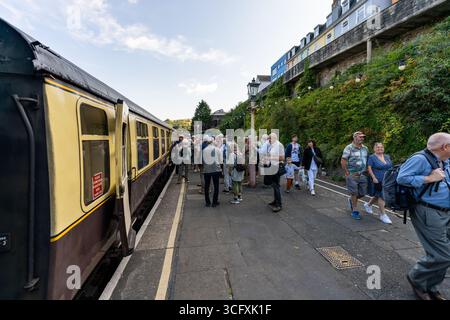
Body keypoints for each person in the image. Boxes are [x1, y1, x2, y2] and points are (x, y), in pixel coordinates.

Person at [397, 132, 450, 301]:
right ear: (445, 147)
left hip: (445, 212)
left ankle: (431, 286)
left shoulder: (444, 159)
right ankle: (417, 278)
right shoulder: (419, 159)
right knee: (443, 254)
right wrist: (428, 178)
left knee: (441, 254)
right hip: (429, 211)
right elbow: (402, 178)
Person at [341, 131, 369, 220]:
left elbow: (367, 160)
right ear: (355, 138)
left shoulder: (365, 148)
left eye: (363, 137)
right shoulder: (349, 148)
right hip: (352, 173)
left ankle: (352, 200)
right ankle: (355, 210)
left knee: (363, 193)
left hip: (363, 174)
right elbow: (343, 160)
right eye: (360, 137)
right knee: (354, 192)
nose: (362, 138)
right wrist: (346, 172)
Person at [366, 143, 393, 224]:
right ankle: (383, 215)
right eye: (377, 147)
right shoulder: (372, 157)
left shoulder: (387, 156)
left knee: (378, 195)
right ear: (374, 149)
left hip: (387, 180)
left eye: (381, 147)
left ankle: (368, 205)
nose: (380, 148)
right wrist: (374, 178)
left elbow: (390, 167)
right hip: (378, 180)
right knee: (382, 196)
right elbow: (369, 169)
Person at [267, 133, 285, 213]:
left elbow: (282, 158)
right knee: (274, 185)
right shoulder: (273, 145)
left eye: (270, 138)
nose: (269, 140)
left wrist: (271, 157)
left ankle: (279, 205)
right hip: (273, 166)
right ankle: (275, 201)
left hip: (277, 166)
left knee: (276, 185)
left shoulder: (279, 145)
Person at [202, 136, 223, 208]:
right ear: (213, 142)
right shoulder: (217, 149)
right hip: (216, 170)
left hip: (207, 170)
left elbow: (203, 160)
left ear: (207, 142)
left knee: (207, 186)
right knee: (216, 186)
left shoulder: (204, 150)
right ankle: (214, 202)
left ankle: (207, 202)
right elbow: (221, 160)